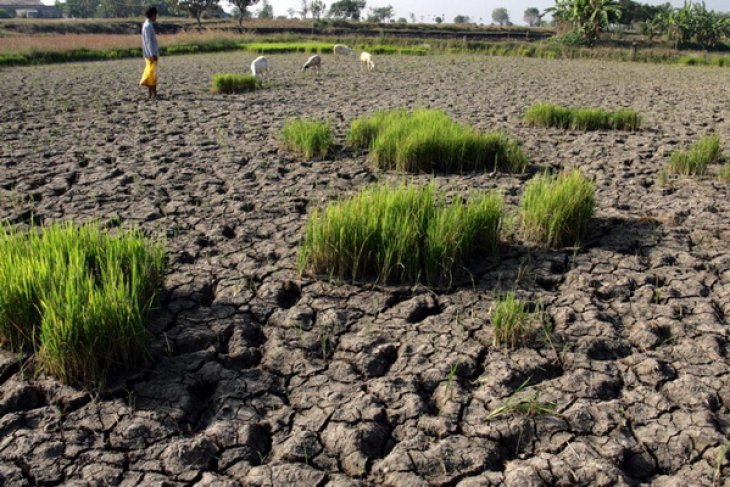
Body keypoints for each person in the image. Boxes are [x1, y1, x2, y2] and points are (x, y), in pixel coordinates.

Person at [140, 7, 159, 99]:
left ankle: (152, 94)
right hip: (151, 55)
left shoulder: (147, 25)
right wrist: (153, 54)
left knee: (151, 75)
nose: (156, 17)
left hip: (149, 54)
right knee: (152, 75)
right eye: (155, 15)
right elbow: (148, 41)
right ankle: (153, 94)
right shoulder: (148, 26)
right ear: (152, 15)